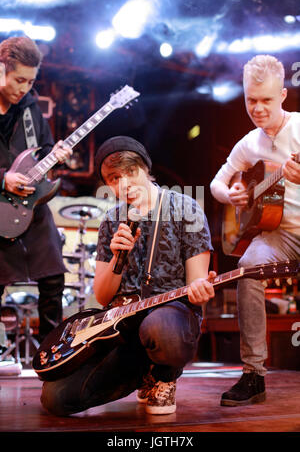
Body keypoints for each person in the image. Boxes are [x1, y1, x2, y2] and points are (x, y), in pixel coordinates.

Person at [40, 135, 215, 416]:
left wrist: (201, 289)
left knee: (160, 329)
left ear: (145, 169)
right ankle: (140, 372)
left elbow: (197, 283)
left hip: (170, 319)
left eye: (131, 172)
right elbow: (103, 295)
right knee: (55, 399)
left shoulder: (186, 209)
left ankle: (164, 375)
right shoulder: (111, 220)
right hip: (120, 327)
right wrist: (117, 259)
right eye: (113, 178)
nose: (124, 184)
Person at [210, 54, 300, 406]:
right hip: (279, 234)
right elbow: (217, 184)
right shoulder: (249, 144)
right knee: (247, 270)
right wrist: (232, 194)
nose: (258, 108)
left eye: (266, 99)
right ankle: (253, 376)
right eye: (251, 100)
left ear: (282, 96)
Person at [0, 36, 72, 348]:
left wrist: (55, 156)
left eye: (30, 81)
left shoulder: (31, 109)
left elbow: (42, 156)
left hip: (31, 204)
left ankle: (49, 354)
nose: (25, 88)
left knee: (54, 276)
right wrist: (3, 179)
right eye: (19, 80)